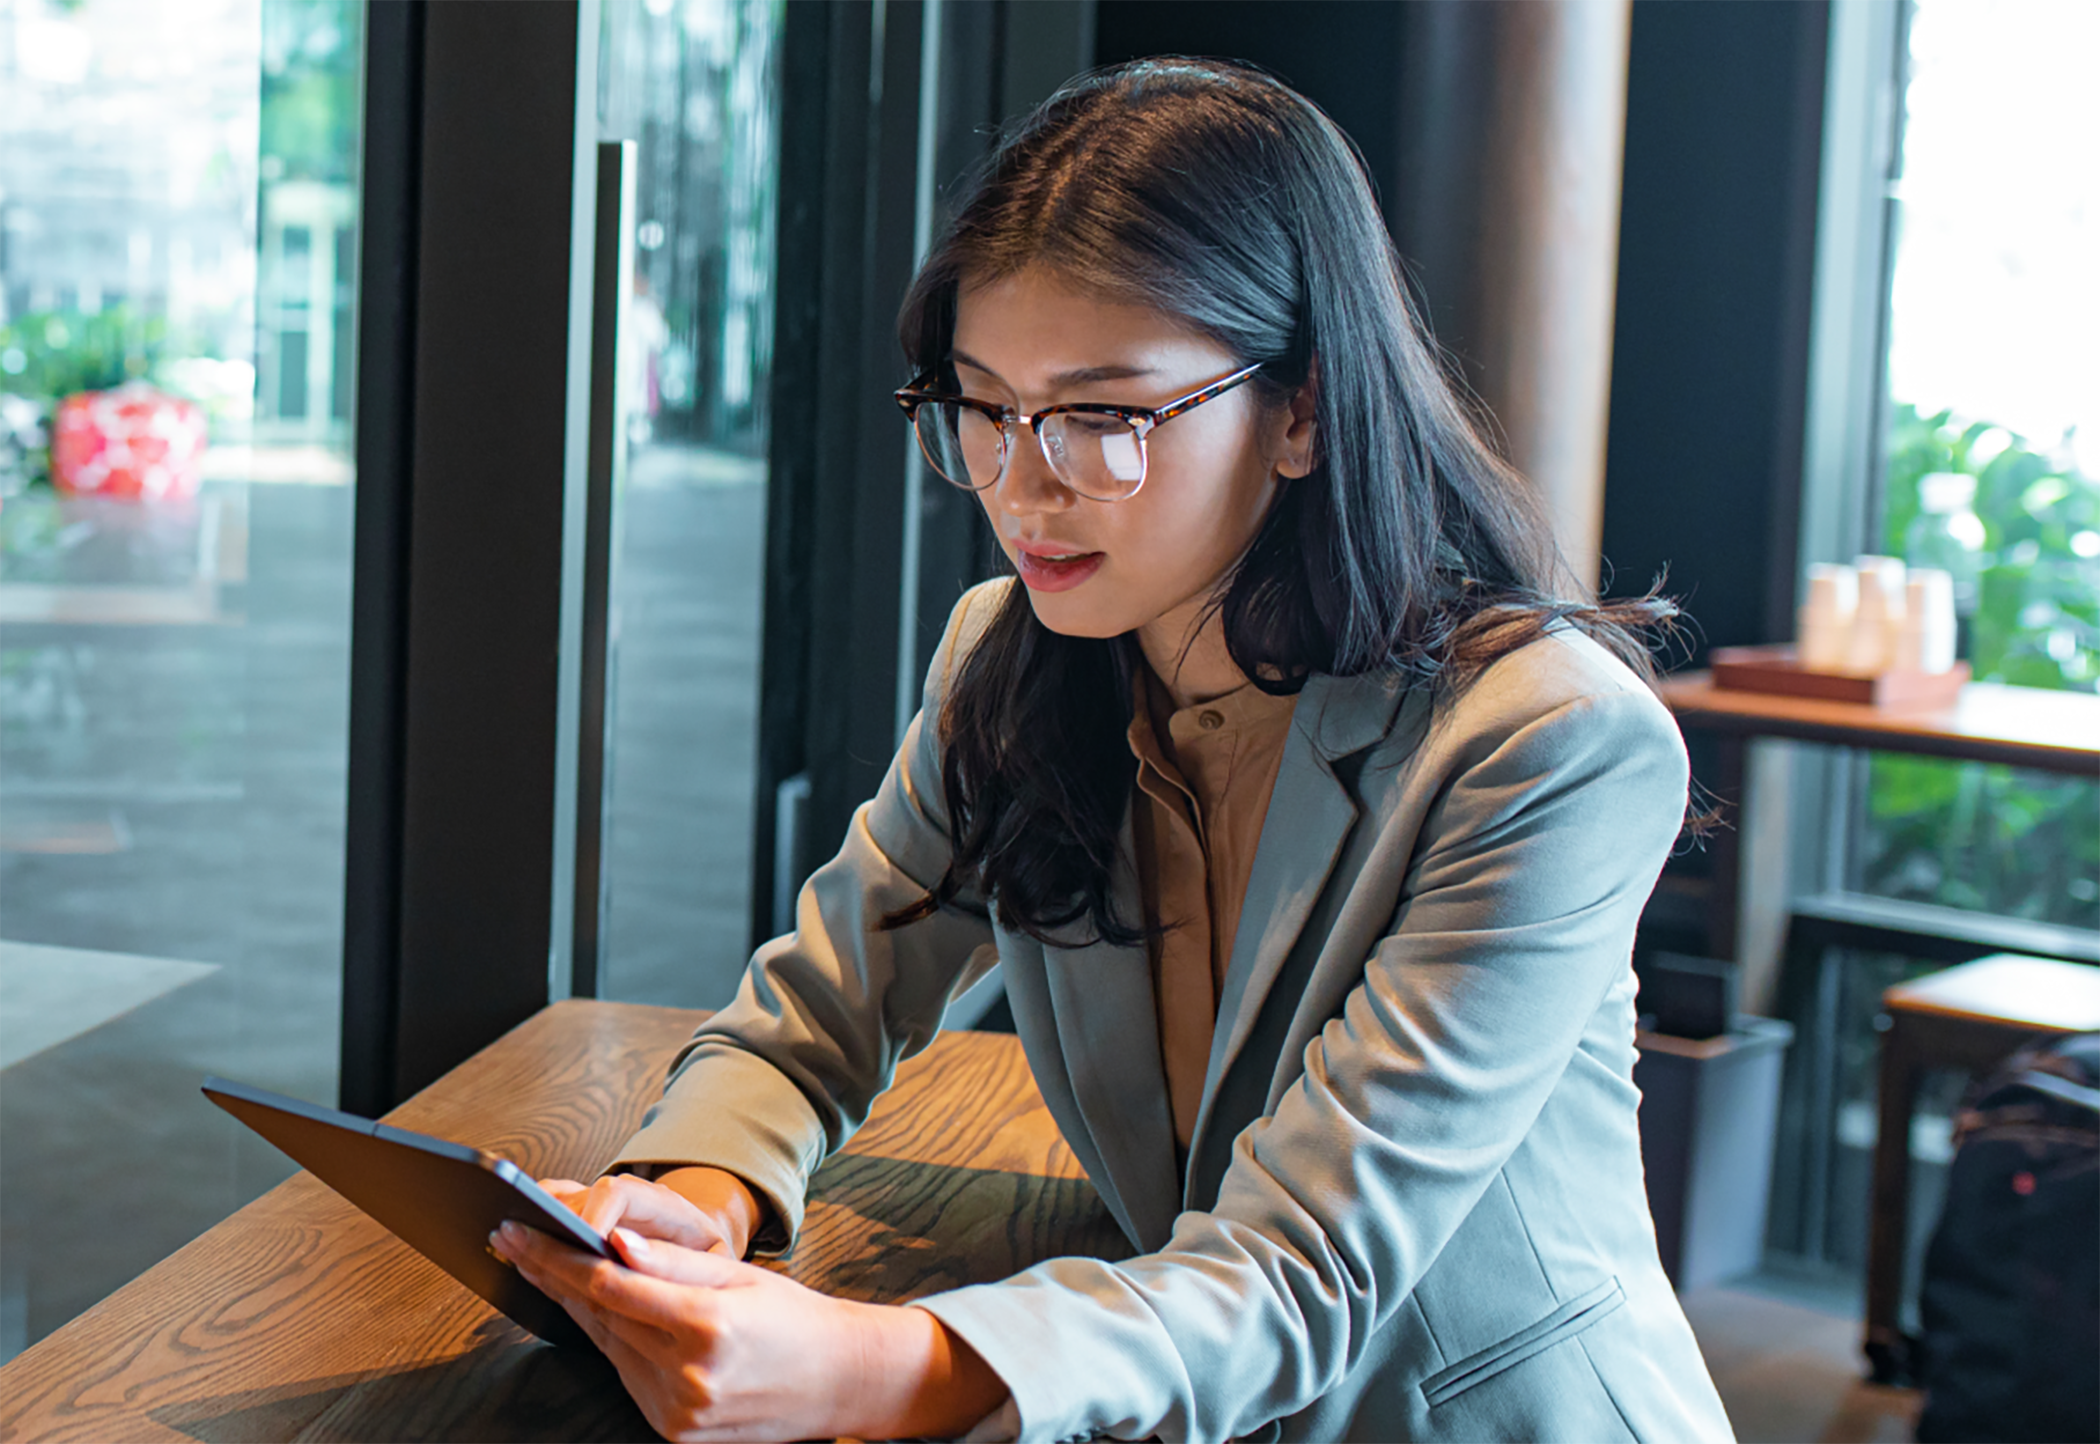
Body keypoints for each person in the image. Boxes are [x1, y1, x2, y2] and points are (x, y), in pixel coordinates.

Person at [492, 57, 1737, 1444]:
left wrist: (867, 1366)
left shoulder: (1546, 743)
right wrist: (694, 1202)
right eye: (983, 405)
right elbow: (816, 1015)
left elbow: (1303, 1273)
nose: (1024, 487)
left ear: (1304, 410)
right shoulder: (1013, 662)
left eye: (1101, 417)